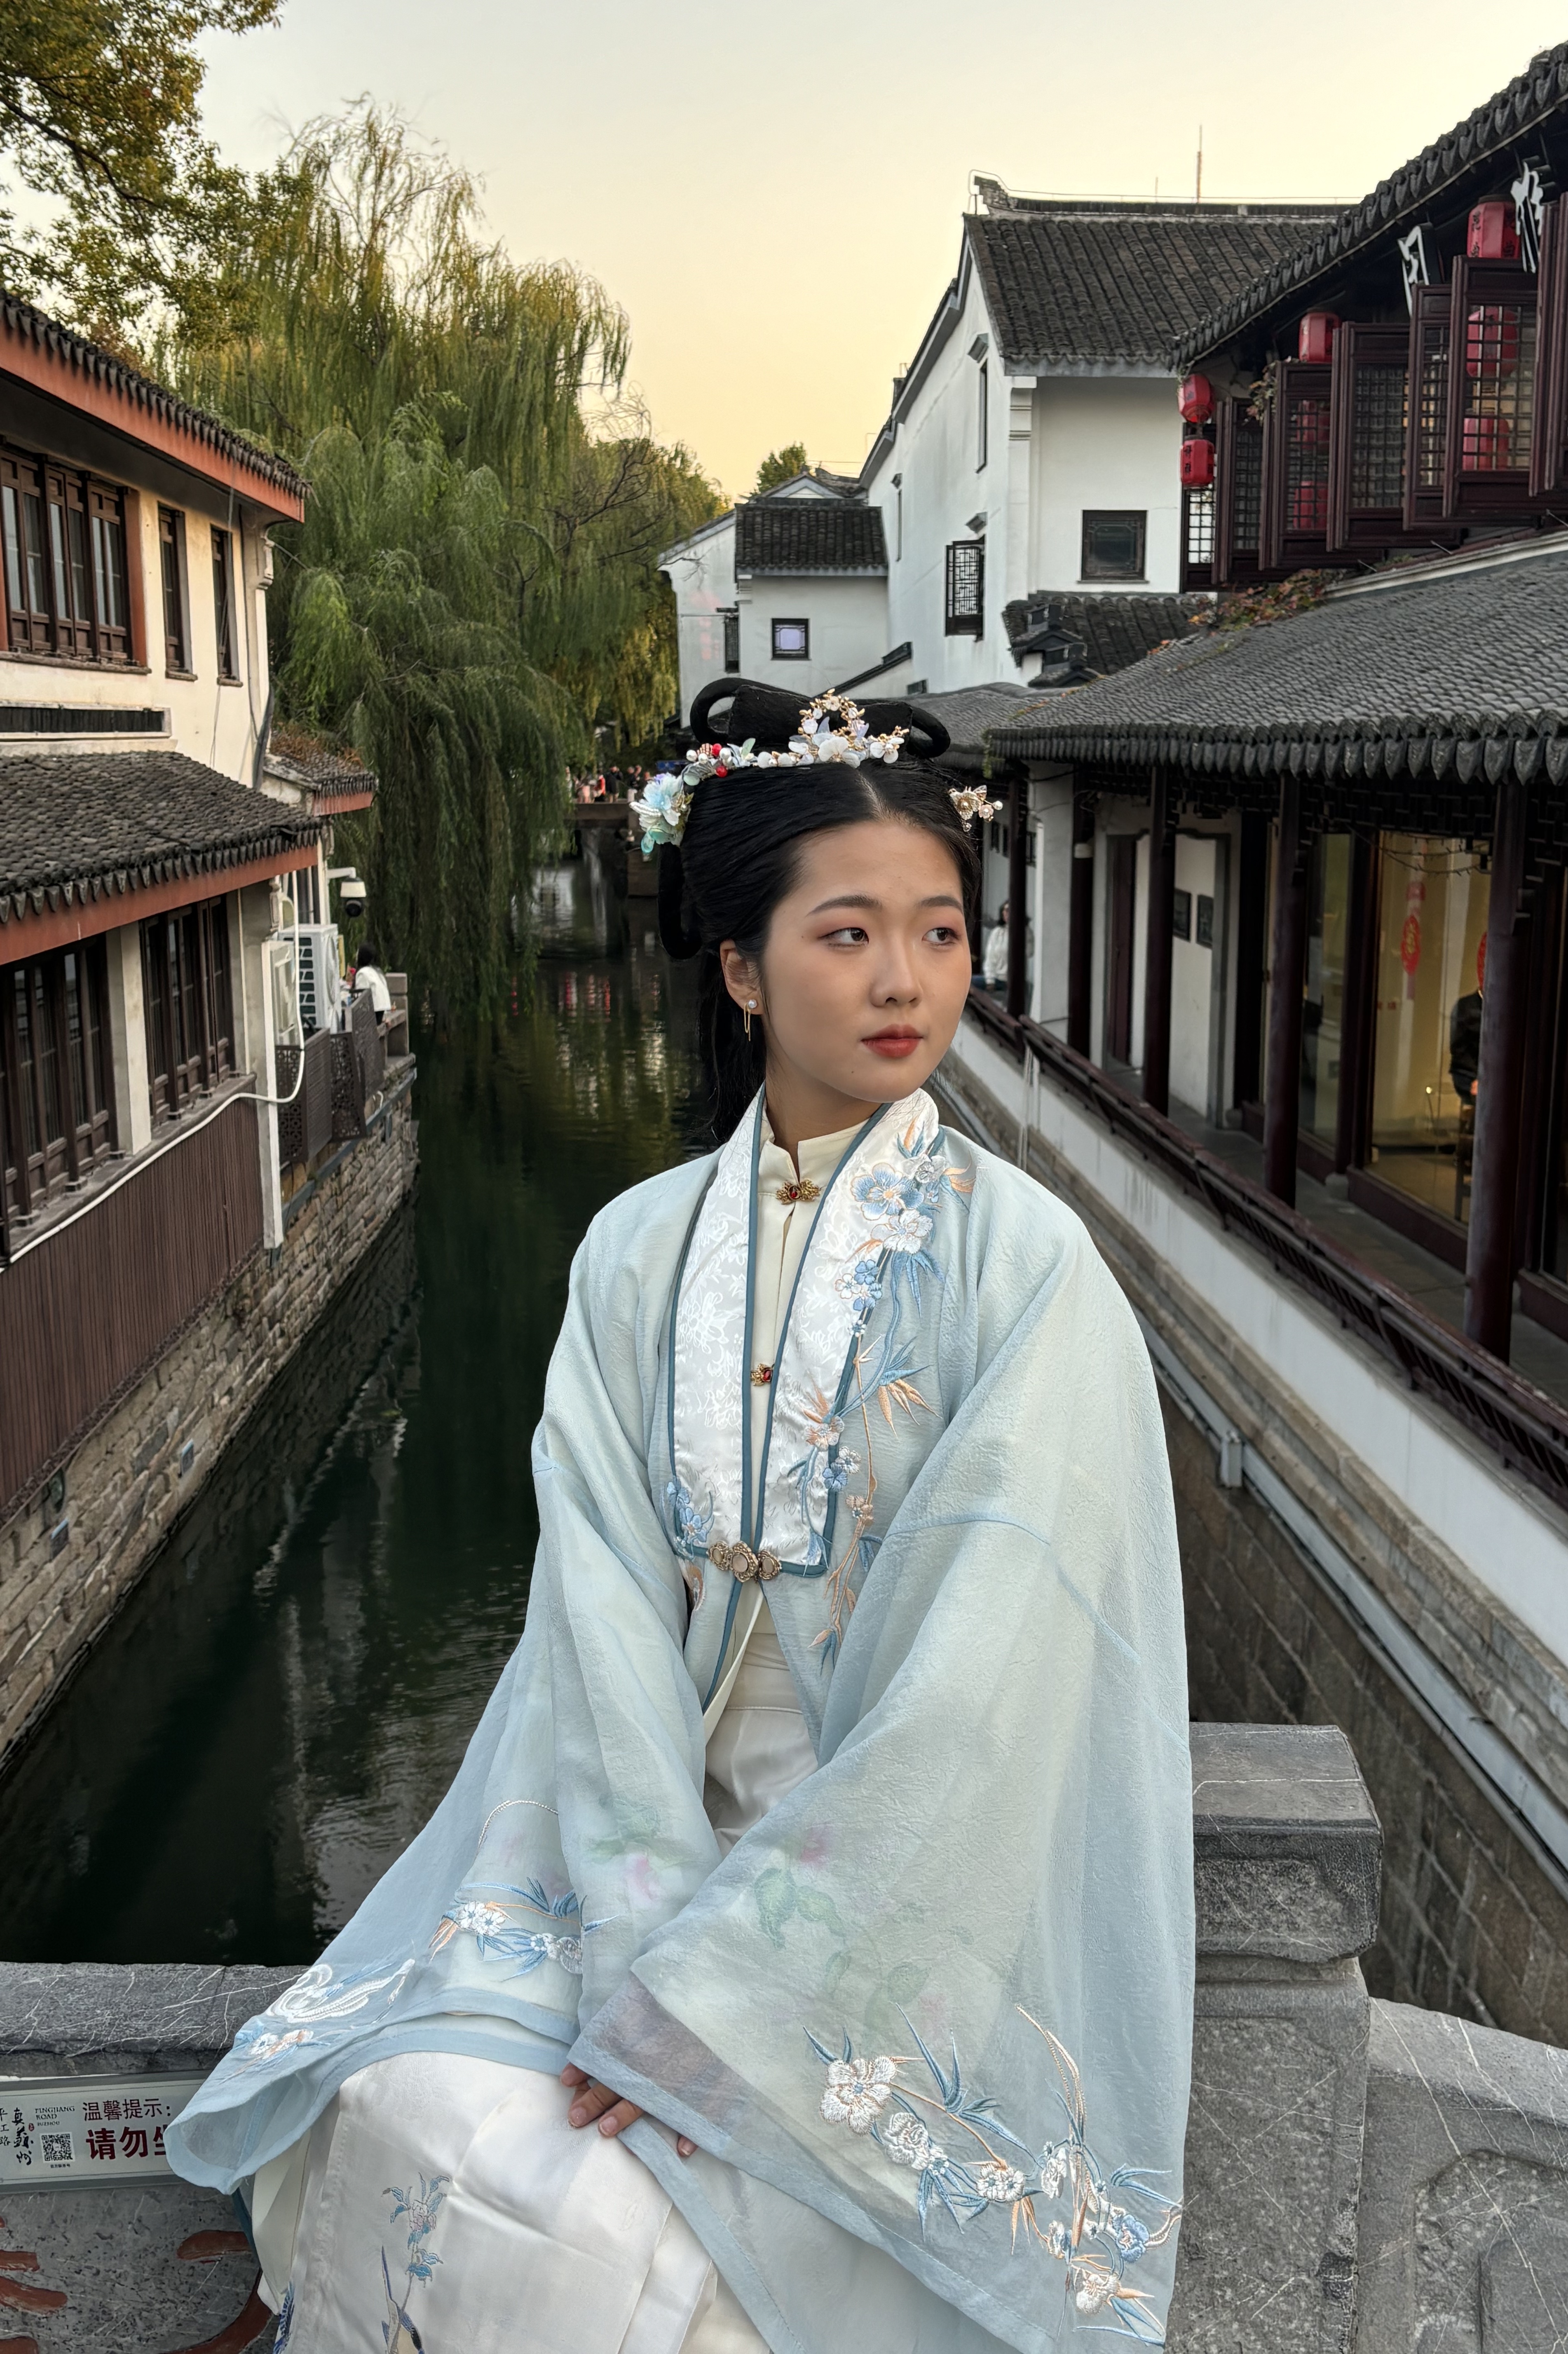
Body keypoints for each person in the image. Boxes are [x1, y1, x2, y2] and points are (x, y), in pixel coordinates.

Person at [169, 679, 1195, 2354]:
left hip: (890, 1899)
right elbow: (600, 1616)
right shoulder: (635, 1252)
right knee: (411, 2100)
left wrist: (724, 2005)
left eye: (940, 934)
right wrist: (643, 1951)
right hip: (619, 1855)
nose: (903, 981)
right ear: (737, 964)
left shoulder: (1034, 1278)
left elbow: (988, 1701)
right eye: (849, 932)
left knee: (639, 2245)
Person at [350, 939, 392, 1020]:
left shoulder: (363, 974)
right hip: (382, 1012)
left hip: (373, 1015)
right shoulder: (377, 971)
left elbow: (361, 999)